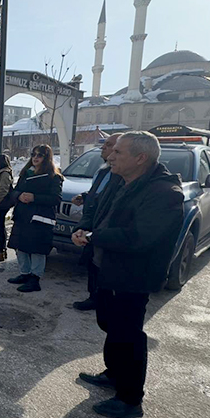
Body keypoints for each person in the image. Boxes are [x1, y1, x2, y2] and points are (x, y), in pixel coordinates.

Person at [72, 131, 184, 418]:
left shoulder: (164, 193)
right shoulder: (121, 181)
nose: (110, 156)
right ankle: (114, 373)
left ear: (140, 158)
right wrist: (86, 229)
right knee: (109, 323)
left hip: (132, 275)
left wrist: (96, 236)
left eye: (118, 152)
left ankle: (130, 398)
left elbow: (139, 237)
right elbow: (98, 211)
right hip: (106, 267)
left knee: (128, 333)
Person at [71, 133, 122, 311]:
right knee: (92, 263)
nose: (104, 148)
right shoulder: (103, 171)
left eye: (109, 146)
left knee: (101, 264)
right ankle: (94, 296)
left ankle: (101, 299)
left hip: (105, 228)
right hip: (92, 224)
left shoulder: (122, 176)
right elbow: (99, 196)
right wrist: (85, 197)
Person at [6, 144, 63, 292]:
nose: (35, 158)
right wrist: (19, 196)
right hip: (23, 215)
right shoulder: (26, 172)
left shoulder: (53, 176)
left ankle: (34, 279)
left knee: (37, 249)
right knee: (21, 246)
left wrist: (34, 197)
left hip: (39, 218)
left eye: (39, 155)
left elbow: (55, 199)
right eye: (33, 154)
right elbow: (14, 191)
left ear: (47, 158)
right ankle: (24, 273)